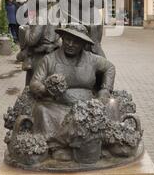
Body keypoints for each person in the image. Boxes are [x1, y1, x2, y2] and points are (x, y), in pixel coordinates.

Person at [29, 24, 115, 160]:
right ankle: (58, 147)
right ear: (62, 38)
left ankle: (102, 144)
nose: (70, 44)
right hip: (60, 107)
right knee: (41, 111)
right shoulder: (49, 60)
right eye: (67, 39)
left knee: (111, 104)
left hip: (89, 107)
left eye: (76, 41)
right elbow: (34, 83)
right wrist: (46, 89)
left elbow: (110, 67)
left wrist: (105, 90)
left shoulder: (91, 59)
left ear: (82, 43)